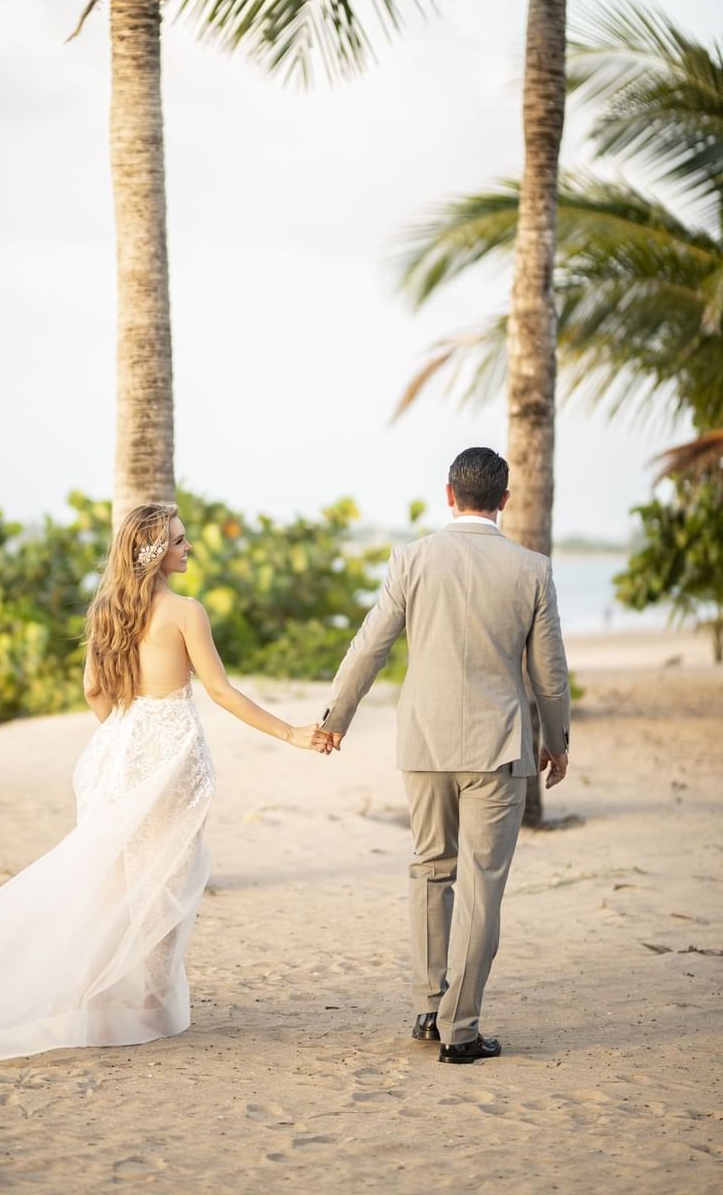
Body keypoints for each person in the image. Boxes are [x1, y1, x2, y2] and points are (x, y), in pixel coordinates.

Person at [0, 503, 329, 1062]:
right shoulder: (187, 611)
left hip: (117, 750)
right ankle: (150, 1005)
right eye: (180, 541)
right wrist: (291, 733)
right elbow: (220, 692)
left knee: (115, 878)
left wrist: (124, 737)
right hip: (170, 752)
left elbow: (95, 689)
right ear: (154, 552)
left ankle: (101, 997)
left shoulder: (108, 612)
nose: (188, 548)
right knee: (164, 875)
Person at [321, 448, 570, 1065]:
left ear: (449, 494)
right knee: (482, 885)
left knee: (430, 867)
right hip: (498, 746)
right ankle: (462, 1029)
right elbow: (550, 675)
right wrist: (557, 742)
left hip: (425, 743)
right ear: (504, 501)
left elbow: (369, 646)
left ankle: (429, 1008)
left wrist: (336, 718)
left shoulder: (411, 559)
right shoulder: (532, 568)